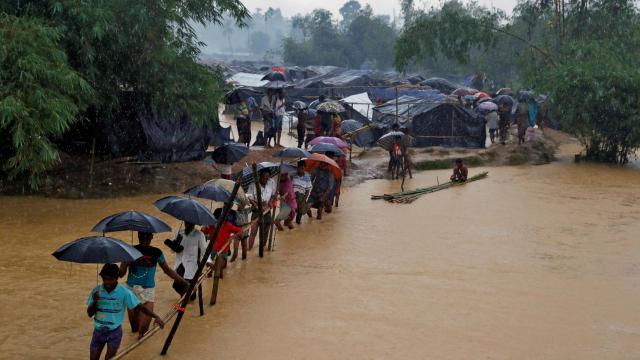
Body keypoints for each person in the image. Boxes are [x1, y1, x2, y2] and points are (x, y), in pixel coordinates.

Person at [87, 264, 164, 360]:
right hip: (98, 331)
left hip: (114, 332)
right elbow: (89, 314)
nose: (107, 282)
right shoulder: (96, 292)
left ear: (116, 278)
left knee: (110, 358)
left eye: (110, 279)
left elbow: (140, 307)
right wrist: (95, 302)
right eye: (104, 279)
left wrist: (156, 316)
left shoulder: (124, 292)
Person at [118, 232, 187, 339]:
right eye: (142, 236)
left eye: (147, 236)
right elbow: (121, 274)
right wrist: (126, 263)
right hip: (131, 291)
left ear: (151, 237)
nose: (144, 238)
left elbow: (167, 270)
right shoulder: (130, 251)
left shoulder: (157, 252)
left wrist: (184, 282)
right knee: (134, 328)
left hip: (148, 291)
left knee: (143, 330)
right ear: (138, 236)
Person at [169, 221, 207, 297]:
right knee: (179, 288)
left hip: (191, 267)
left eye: (190, 223)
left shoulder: (199, 235)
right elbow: (172, 251)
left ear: (194, 224)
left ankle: (186, 302)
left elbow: (204, 251)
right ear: (184, 222)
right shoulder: (179, 233)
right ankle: (184, 302)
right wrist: (174, 245)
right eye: (186, 222)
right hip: (179, 266)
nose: (188, 225)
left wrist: (209, 261)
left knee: (190, 293)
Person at [202, 208, 242, 279]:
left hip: (223, 250)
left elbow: (240, 231)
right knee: (209, 271)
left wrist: (232, 237)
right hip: (212, 250)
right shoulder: (210, 225)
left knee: (219, 271)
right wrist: (204, 228)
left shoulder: (227, 225)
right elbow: (203, 232)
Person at [246, 169, 277, 250]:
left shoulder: (272, 182)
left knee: (266, 230)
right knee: (253, 231)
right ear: (260, 176)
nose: (266, 180)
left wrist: (270, 202)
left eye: (267, 178)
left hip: (267, 210)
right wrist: (256, 204)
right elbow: (248, 197)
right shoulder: (253, 185)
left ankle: (262, 247)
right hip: (256, 211)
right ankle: (250, 249)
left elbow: (274, 195)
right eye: (264, 177)